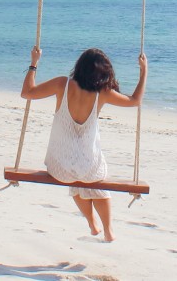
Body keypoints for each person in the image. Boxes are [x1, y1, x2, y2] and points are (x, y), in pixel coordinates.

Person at [21, 46, 148, 242]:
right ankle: (108, 230)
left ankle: (92, 224)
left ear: (79, 67)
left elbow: (27, 93)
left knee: (74, 176)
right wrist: (143, 71)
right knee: (93, 179)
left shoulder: (61, 84)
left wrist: (34, 63)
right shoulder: (103, 93)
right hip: (89, 168)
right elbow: (135, 101)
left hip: (59, 168)